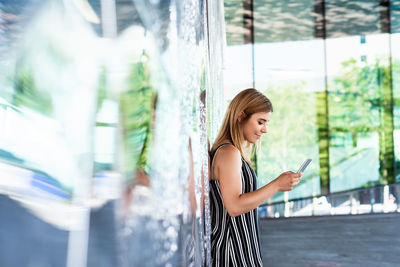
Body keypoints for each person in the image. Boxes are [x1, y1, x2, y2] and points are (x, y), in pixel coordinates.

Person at [209, 88, 302, 267]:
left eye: (266, 123)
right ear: (241, 116)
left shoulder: (234, 152)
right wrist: (276, 185)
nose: (265, 130)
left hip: (241, 252)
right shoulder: (229, 152)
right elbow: (234, 206)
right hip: (233, 254)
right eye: (260, 122)